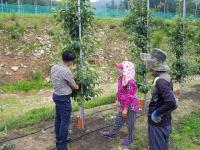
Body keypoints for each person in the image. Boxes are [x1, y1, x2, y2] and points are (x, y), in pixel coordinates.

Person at [141, 48, 178, 150]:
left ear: (153, 65)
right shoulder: (164, 76)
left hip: (158, 124)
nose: (147, 66)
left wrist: (156, 113)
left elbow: (171, 103)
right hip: (164, 120)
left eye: (148, 64)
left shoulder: (160, 81)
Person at [100, 61, 139, 147]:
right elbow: (119, 90)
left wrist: (125, 109)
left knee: (130, 123)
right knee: (118, 119)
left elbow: (130, 96)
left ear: (127, 70)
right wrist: (117, 100)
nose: (119, 70)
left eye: (121, 68)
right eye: (119, 68)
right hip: (123, 104)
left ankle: (130, 139)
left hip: (131, 106)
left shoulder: (130, 82)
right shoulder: (121, 79)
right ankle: (112, 134)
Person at [51, 50, 79, 150]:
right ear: (70, 61)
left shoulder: (54, 67)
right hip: (64, 98)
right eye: (72, 61)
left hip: (56, 96)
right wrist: (77, 86)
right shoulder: (67, 71)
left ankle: (59, 139)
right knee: (65, 122)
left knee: (58, 118)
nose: (72, 63)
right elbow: (74, 86)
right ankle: (62, 145)